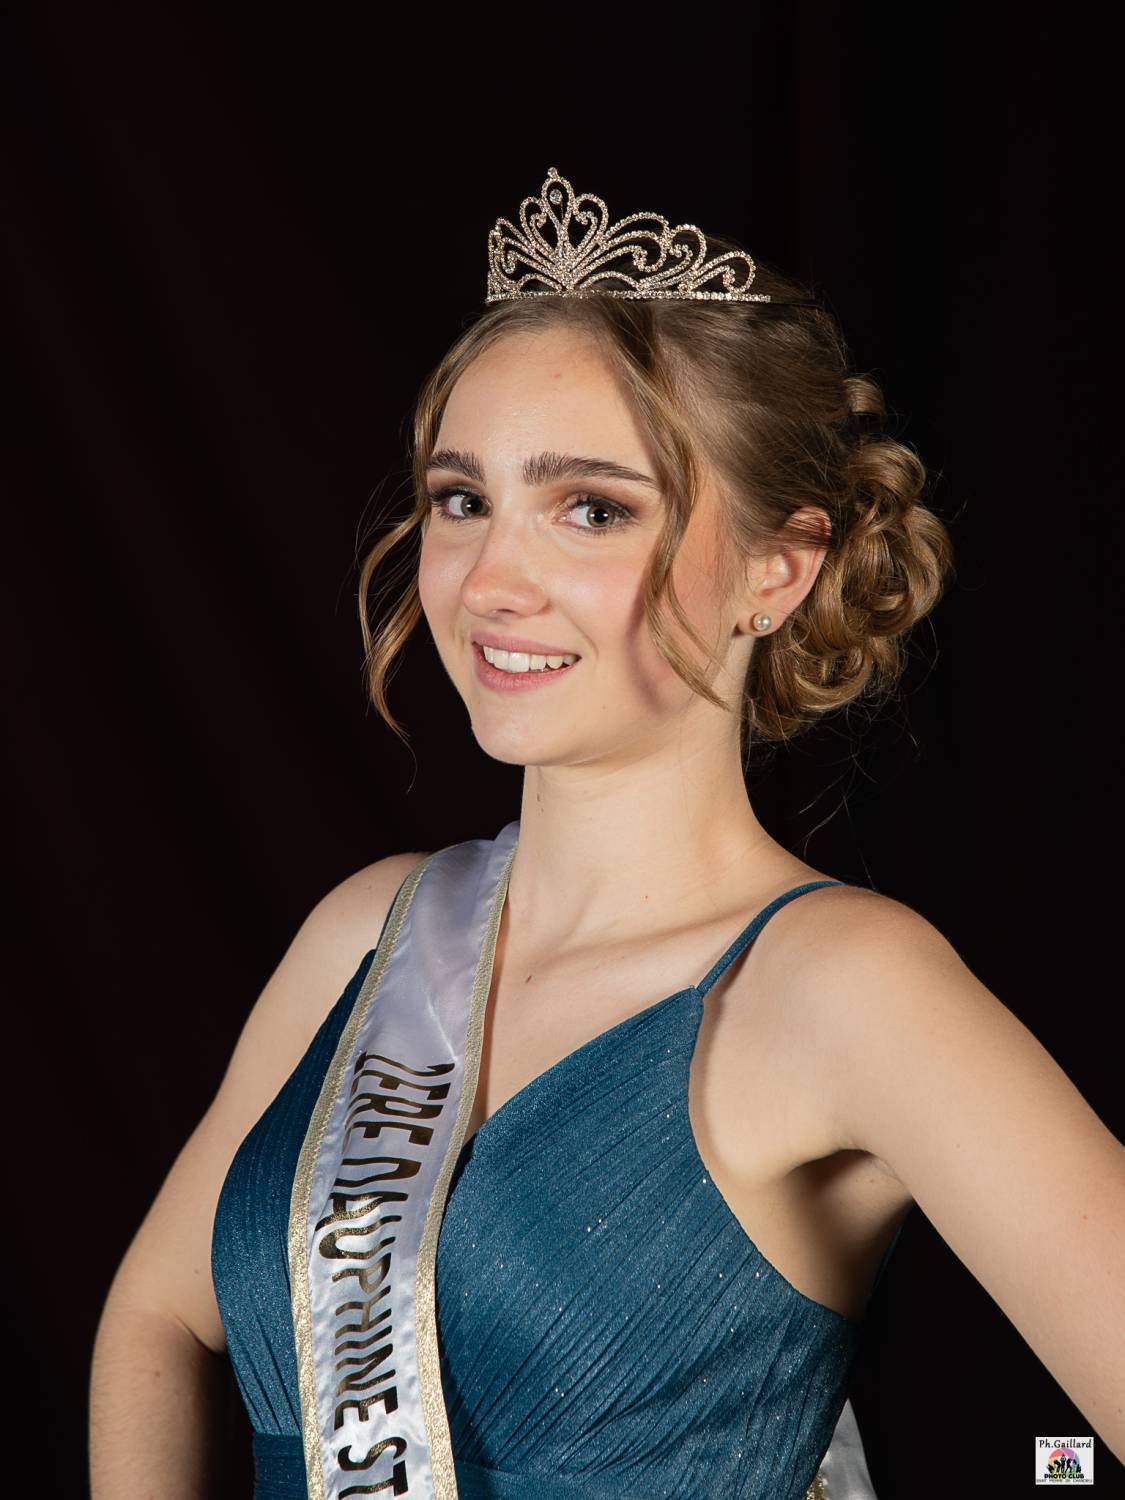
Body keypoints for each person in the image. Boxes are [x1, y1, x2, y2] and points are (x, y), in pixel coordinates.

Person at [89, 167, 1125, 1500]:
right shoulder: (372, 928)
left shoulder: (843, 985)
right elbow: (159, 1317)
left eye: (592, 509)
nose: (490, 581)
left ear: (777, 567)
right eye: (461, 499)